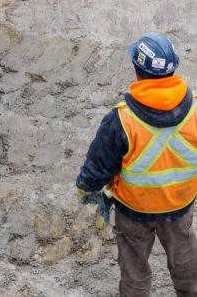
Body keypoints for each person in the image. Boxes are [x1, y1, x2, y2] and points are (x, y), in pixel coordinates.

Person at [76, 32, 197, 297]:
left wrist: (88, 188)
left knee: (134, 270)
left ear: (137, 71)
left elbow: (98, 167)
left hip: (134, 210)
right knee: (185, 257)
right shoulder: (195, 112)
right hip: (179, 205)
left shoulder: (121, 120)